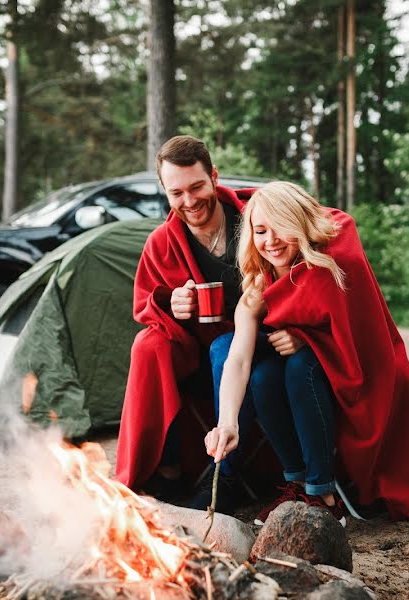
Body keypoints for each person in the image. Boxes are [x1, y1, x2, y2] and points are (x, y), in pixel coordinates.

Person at [203, 181, 409, 523]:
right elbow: (239, 359)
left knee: (300, 363)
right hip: (295, 386)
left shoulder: (328, 266)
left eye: (282, 229)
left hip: (346, 377)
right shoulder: (257, 287)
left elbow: (356, 336)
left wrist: (308, 337)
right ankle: (298, 482)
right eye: (260, 231)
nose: (271, 241)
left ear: (300, 227)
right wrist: (227, 422)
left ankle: (323, 492)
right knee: (263, 375)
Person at [115, 136, 304, 514]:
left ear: (214, 177)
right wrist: (170, 302)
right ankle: (165, 471)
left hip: (267, 348)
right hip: (201, 361)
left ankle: (227, 476)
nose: (189, 201)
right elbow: (144, 305)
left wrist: (301, 327)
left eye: (197, 186)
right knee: (148, 345)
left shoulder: (255, 218)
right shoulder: (162, 243)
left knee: (227, 348)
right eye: (177, 193)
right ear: (165, 193)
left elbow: (308, 264)